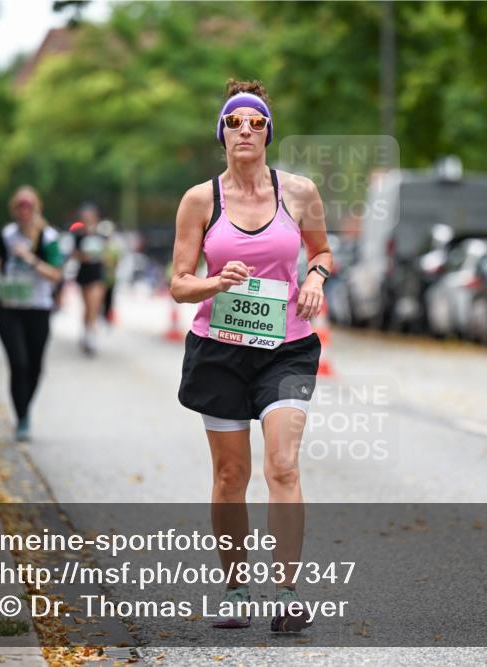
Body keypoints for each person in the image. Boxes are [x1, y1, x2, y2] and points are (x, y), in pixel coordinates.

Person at [170, 79, 333, 632]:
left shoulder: (300, 193)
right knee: (231, 475)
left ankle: (288, 593)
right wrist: (214, 283)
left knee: (283, 464)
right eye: (235, 121)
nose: (245, 129)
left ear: (268, 132)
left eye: (256, 121)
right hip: (220, 349)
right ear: (222, 133)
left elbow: (323, 251)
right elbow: (178, 283)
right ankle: (236, 587)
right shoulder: (200, 200)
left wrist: (315, 277)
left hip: (285, 349)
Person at [0, 186, 63, 442]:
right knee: (18, 364)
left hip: (38, 308)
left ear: (36, 208)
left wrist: (30, 259)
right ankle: (22, 417)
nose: (24, 210)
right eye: (19, 205)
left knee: (35, 366)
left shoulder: (48, 237)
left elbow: (56, 274)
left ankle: (24, 407)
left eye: (28, 205)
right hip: (9, 307)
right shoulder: (6, 235)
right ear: (14, 209)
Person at [71, 203, 108, 355]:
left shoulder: (102, 235)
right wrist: (83, 257)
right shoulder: (78, 236)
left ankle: (91, 335)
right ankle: (86, 331)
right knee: (87, 307)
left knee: (95, 305)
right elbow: (75, 255)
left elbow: (108, 253)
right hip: (84, 274)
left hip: (97, 274)